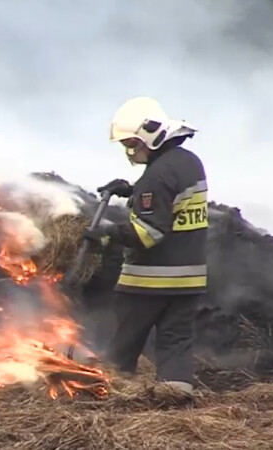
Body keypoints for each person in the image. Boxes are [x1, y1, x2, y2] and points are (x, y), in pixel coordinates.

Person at [81, 96, 208, 395]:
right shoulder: (187, 162)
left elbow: (149, 232)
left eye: (131, 143)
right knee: (175, 341)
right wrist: (132, 190)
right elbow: (172, 199)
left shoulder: (158, 174)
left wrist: (107, 235)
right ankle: (176, 392)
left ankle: (109, 388)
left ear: (150, 137)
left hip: (150, 281)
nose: (129, 151)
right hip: (189, 277)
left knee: (126, 339)